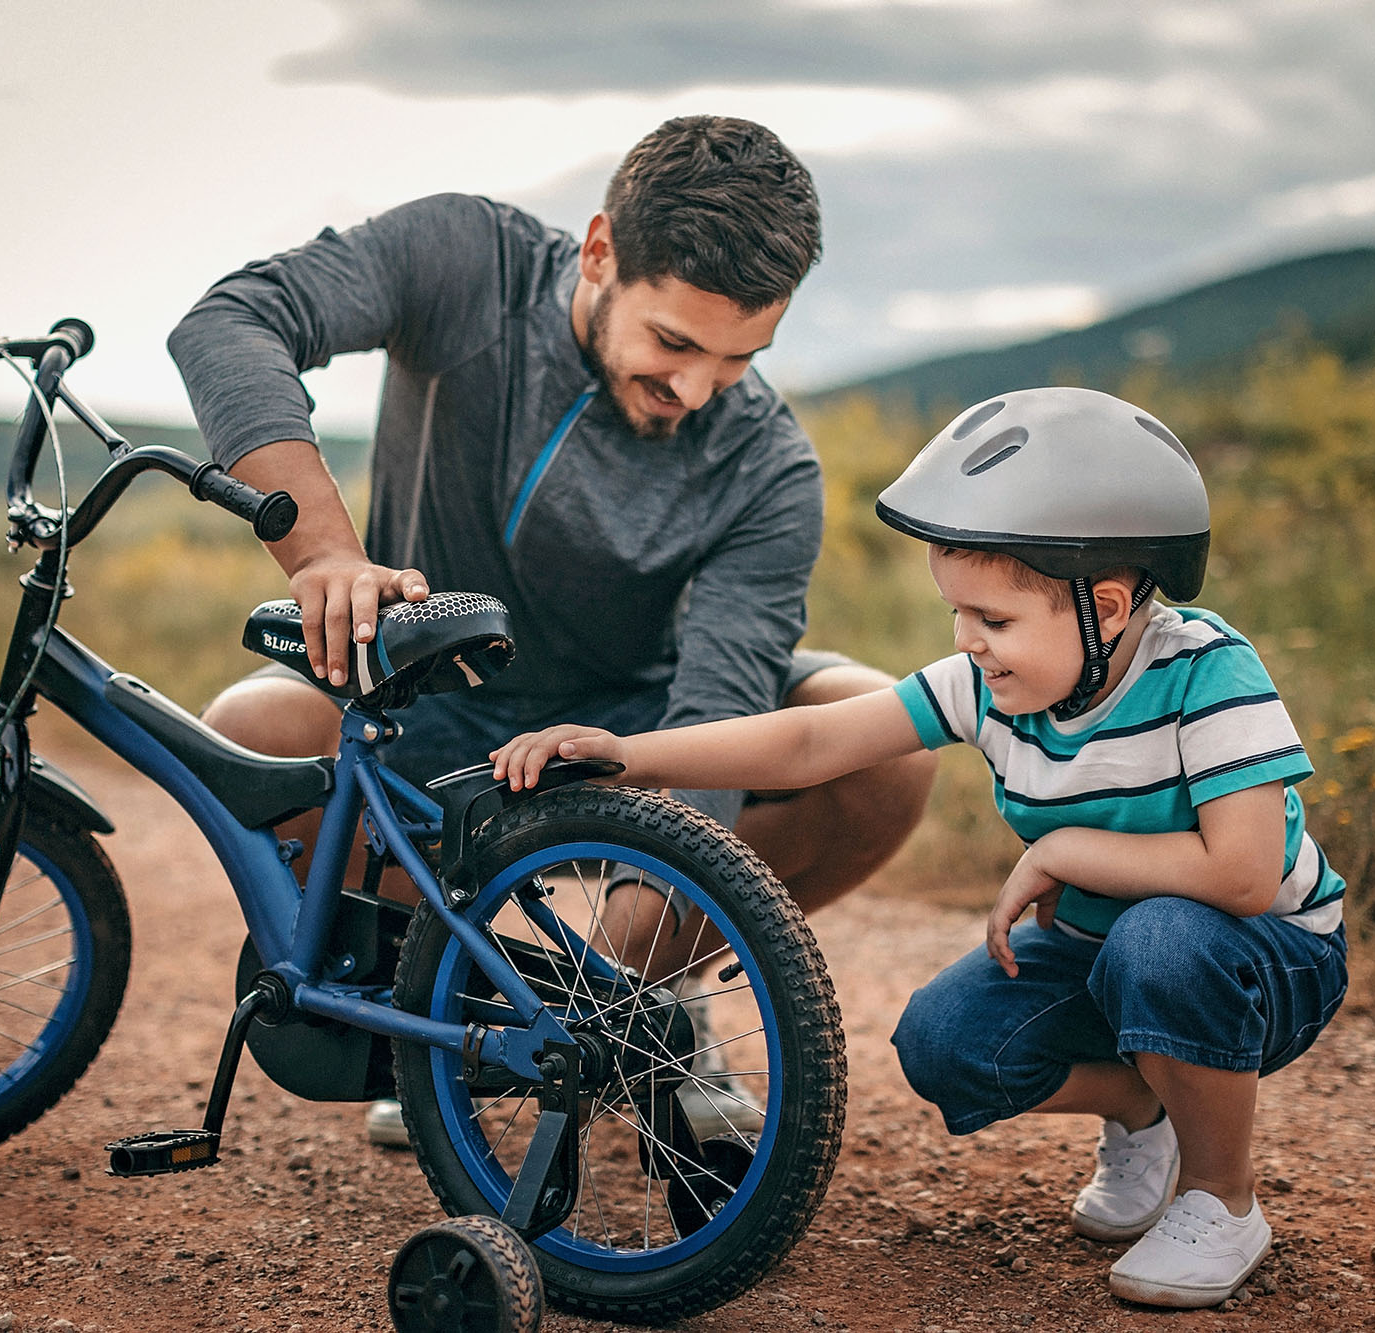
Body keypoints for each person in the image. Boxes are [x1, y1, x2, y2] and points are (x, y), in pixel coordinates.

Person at [168, 115, 937, 1145]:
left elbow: (715, 721)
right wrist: (320, 555)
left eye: (738, 357)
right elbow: (232, 323)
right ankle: (433, 1013)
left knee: (880, 743)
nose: (697, 388)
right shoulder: (463, 261)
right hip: (429, 714)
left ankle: (651, 1007)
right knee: (251, 726)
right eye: (671, 342)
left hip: (639, 733)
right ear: (600, 252)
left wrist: (603, 1005)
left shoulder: (767, 468)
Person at [491, 387, 1349, 1309]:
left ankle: (1222, 1196)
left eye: (994, 620)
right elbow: (810, 743)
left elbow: (1245, 874)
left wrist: (1063, 850)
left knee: (1162, 941)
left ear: (1103, 606)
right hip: (1105, 956)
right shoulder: (988, 683)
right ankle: (1146, 1107)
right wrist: (625, 756)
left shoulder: (1208, 674)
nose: (968, 643)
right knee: (943, 1042)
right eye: (957, 614)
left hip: (1261, 956)